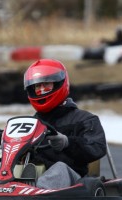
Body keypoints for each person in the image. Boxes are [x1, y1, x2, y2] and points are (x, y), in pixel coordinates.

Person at [23, 59, 107, 189]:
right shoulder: (31, 124)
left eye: (46, 85)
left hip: (72, 180)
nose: (41, 90)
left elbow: (97, 147)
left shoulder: (84, 119)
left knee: (60, 168)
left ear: (59, 84)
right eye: (37, 87)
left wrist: (67, 143)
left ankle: (39, 196)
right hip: (34, 174)